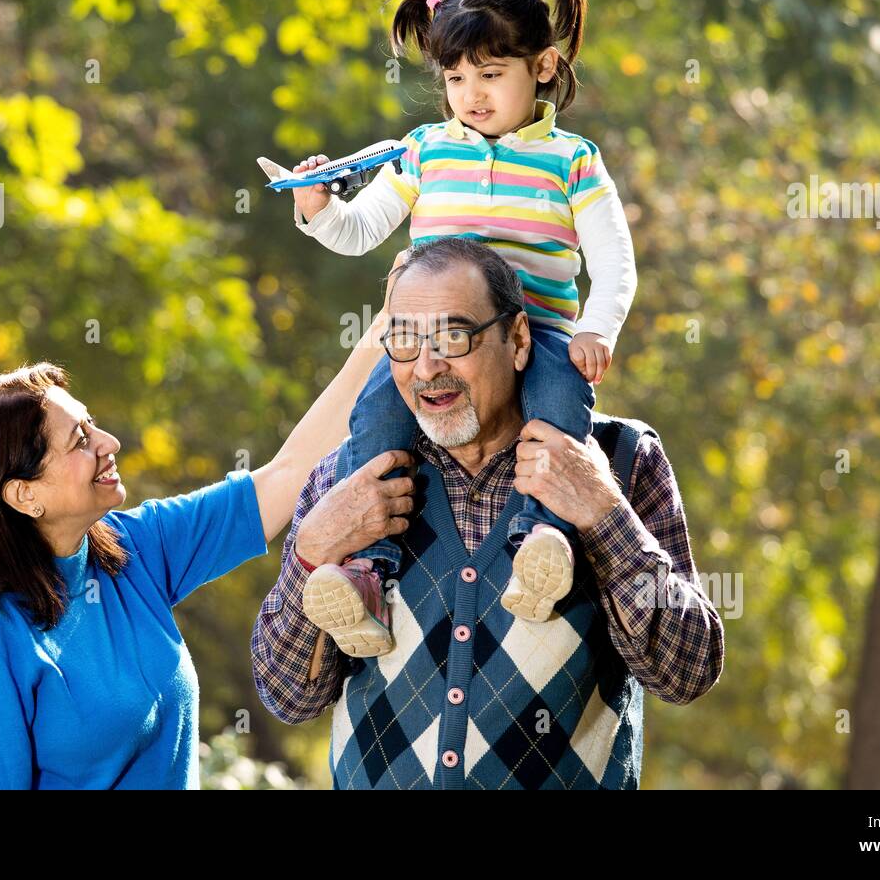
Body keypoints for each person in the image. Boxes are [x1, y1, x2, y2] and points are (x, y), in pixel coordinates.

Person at [0, 256, 411, 788]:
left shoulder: (133, 549)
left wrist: (386, 327)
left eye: (92, 424)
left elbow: (282, 479)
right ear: (24, 494)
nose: (109, 444)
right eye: (80, 441)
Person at [251, 238, 723, 789]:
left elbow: (686, 672)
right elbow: (287, 696)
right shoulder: (348, 480)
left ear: (518, 339)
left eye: (454, 337)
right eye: (404, 341)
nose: (427, 368)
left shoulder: (619, 459)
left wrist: (603, 510)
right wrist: (311, 553)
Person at [279, 0, 637, 657]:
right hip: (427, 339)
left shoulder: (572, 161)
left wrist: (598, 328)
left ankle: (544, 542)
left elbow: (614, 263)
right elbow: (359, 232)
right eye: (456, 77)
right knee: (375, 415)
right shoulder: (424, 151)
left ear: (541, 68)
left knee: (562, 406)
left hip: (541, 333)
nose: (471, 93)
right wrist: (318, 207)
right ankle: (367, 575)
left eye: (491, 74)